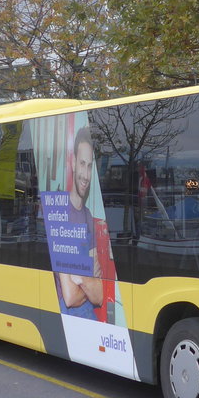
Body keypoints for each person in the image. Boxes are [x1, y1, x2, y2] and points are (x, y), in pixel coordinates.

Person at [55, 125, 114, 320]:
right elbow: (70, 297)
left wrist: (79, 277)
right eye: (82, 163)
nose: (86, 175)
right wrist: (88, 278)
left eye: (90, 166)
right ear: (73, 163)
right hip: (71, 317)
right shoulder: (61, 211)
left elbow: (98, 296)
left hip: (88, 315)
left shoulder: (87, 215)